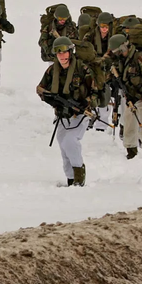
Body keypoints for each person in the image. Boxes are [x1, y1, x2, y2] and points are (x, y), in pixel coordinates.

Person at [37, 37, 99, 186]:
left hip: (81, 114)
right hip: (62, 114)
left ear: (70, 52)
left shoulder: (82, 69)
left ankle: (79, 175)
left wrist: (86, 103)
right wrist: (49, 98)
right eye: (59, 54)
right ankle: (70, 178)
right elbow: (40, 88)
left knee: (70, 141)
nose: (62, 57)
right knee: (63, 144)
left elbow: (95, 91)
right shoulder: (52, 70)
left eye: (65, 53)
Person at [106, 34, 142, 159]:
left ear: (125, 47)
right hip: (129, 96)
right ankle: (131, 150)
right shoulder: (121, 60)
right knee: (129, 123)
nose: (118, 54)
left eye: (119, 51)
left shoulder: (140, 58)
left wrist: (138, 95)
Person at [80, 11, 117, 129]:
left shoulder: (114, 37)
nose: (104, 29)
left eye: (106, 26)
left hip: (108, 69)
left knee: (106, 94)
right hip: (93, 67)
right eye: (102, 26)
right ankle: (89, 117)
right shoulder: (90, 36)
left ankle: (102, 123)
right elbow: (84, 51)